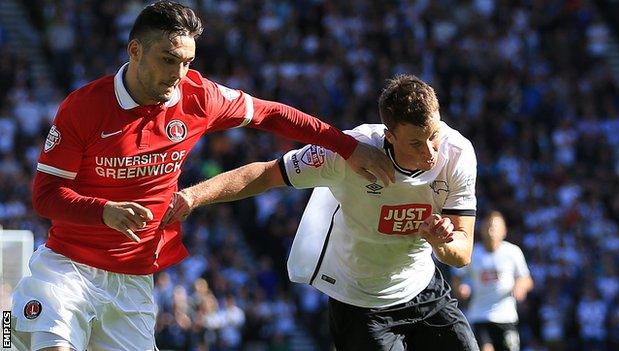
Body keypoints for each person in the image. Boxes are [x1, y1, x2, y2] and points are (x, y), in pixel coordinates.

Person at [10, 2, 395, 350]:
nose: (179, 74)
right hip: (68, 267)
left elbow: (272, 114)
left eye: (188, 62)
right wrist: (105, 211)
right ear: (135, 51)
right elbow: (45, 196)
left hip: (133, 281)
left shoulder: (198, 97)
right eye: (168, 59)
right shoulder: (83, 108)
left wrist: (346, 146)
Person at [162, 74, 480, 350]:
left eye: (434, 135)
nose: (430, 153)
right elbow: (265, 174)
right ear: (390, 136)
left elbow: (461, 253)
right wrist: (192, 196)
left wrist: (441, 242)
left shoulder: (457, 154)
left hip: (423, 288)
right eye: (415, 143)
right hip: (360, 305)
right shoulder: (348, 154)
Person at [452, 211, 534, 351]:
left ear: (504, 231)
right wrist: (460, 288)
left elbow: (527, 279)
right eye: (488, 227)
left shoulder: (513, 252)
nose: (491, 231)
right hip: (480, 315)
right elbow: (457, 276)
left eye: (495, 227)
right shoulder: (473, 253)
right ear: (481, 230)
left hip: (506, 316)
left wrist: (520, 286)